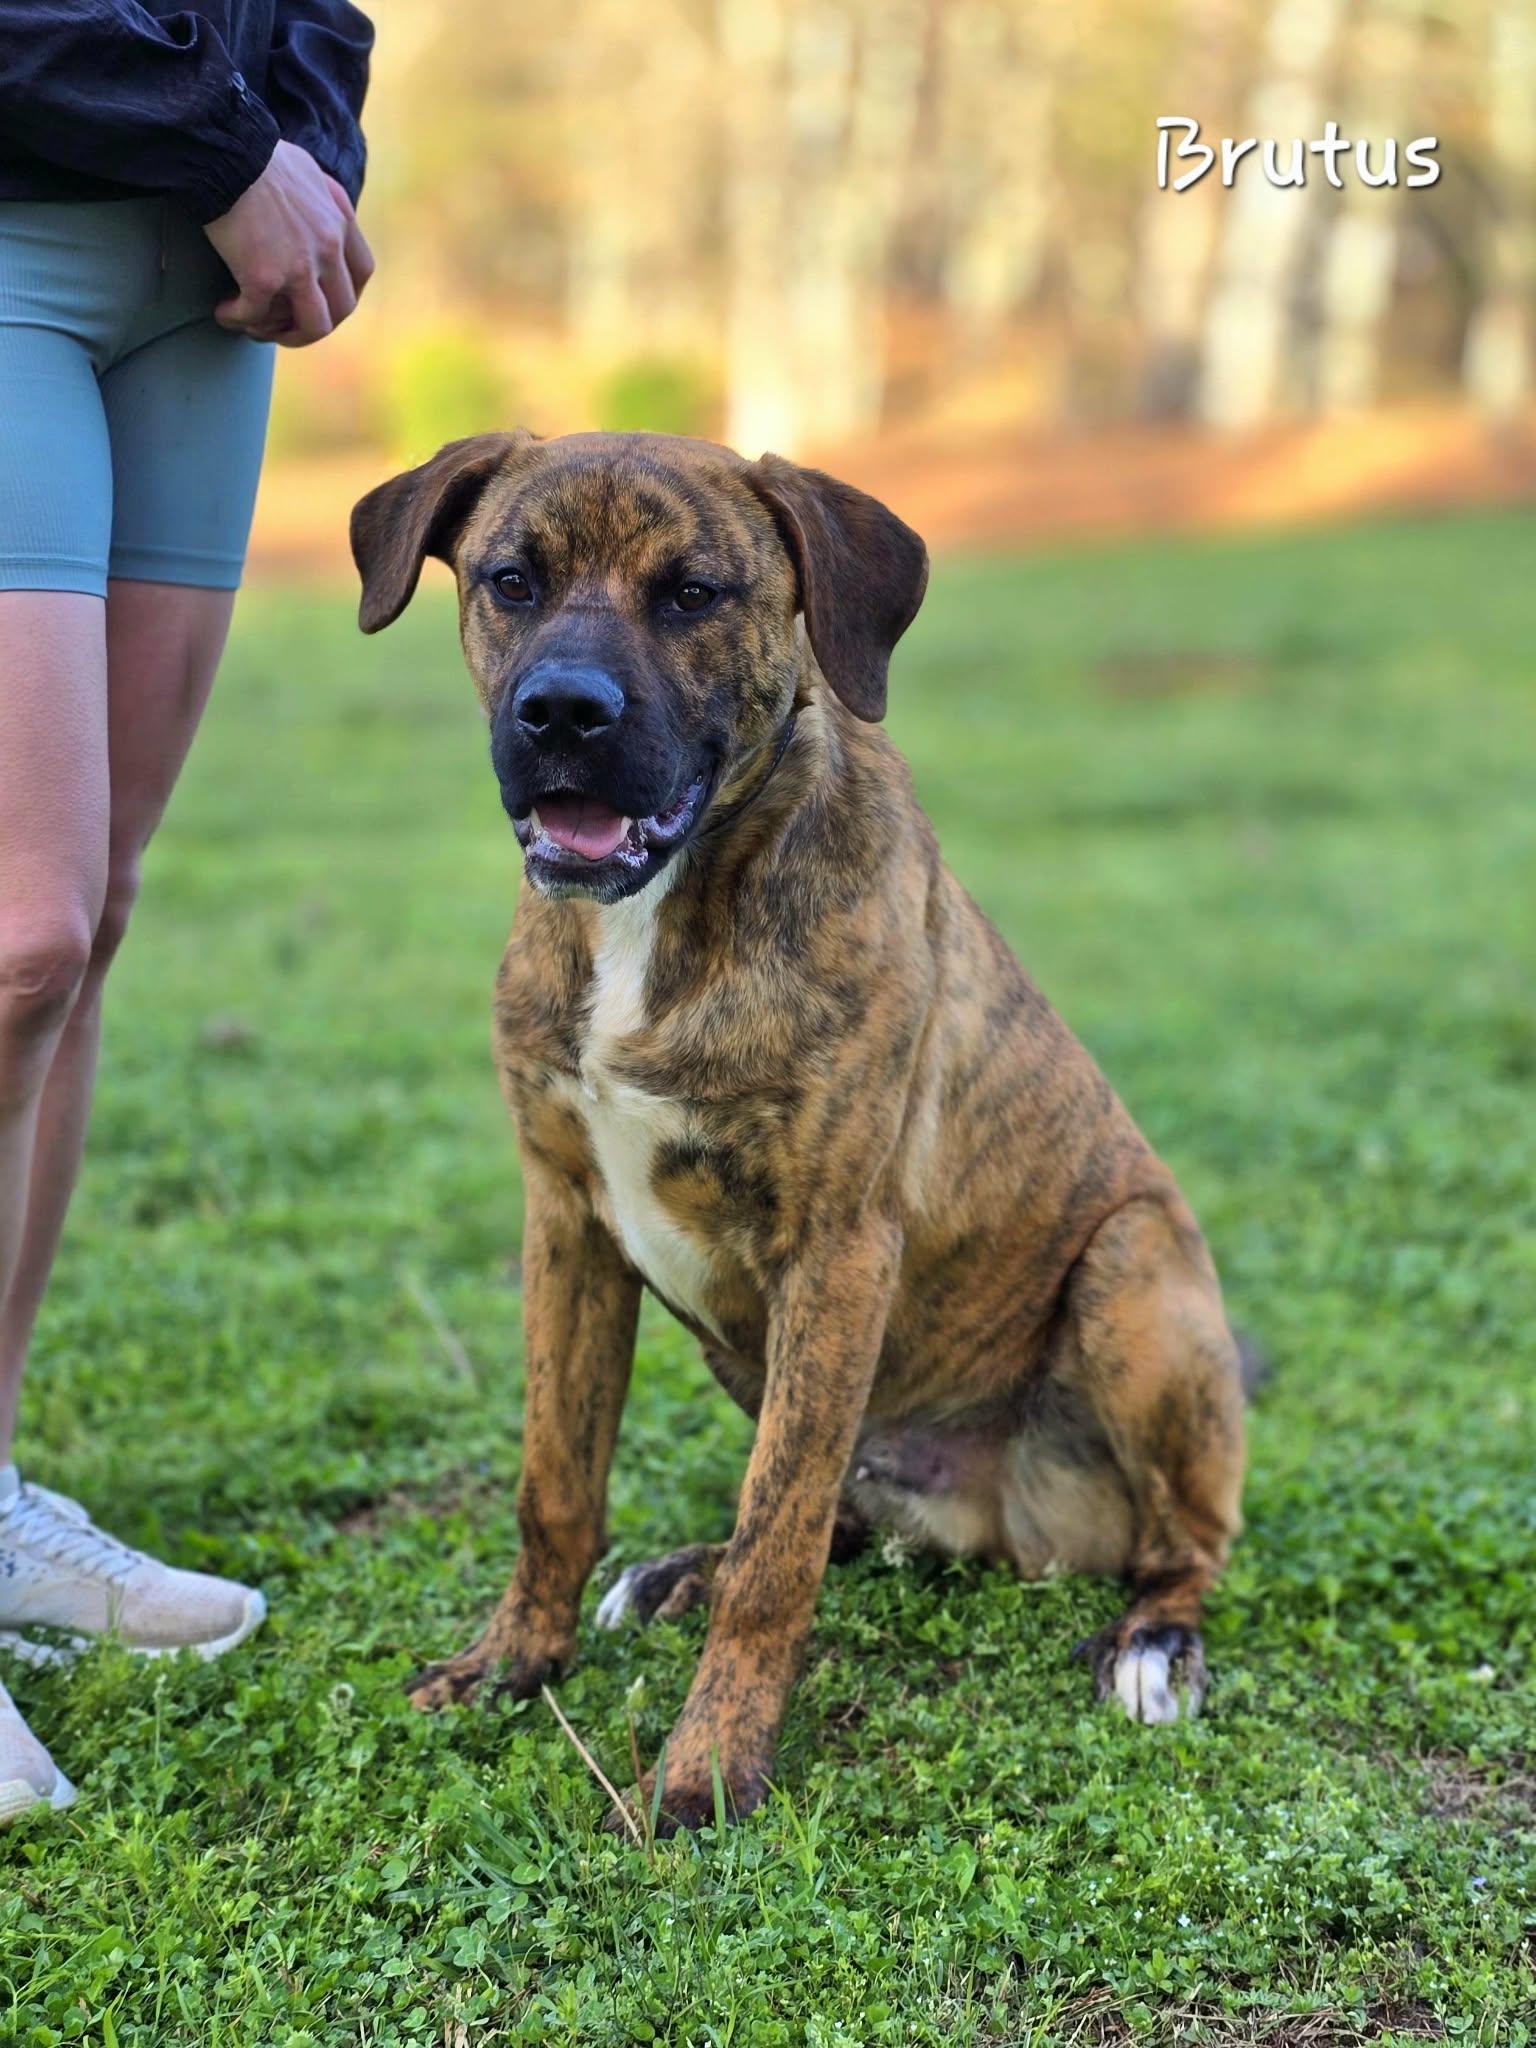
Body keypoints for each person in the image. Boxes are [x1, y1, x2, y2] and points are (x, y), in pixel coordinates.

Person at [0, 0, 374, 1825]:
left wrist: (307, 151)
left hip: (207, 292)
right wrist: (234, 150)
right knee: (16, 933)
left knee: (97, 920)